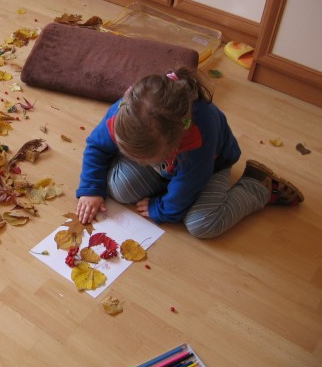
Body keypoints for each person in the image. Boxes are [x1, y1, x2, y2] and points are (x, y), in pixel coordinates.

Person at [75, 67, 304, 239]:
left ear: (173, 144)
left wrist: (162, 209)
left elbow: (188, 186)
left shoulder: (197, 138)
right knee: (119, 188)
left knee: (202, 224)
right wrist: (91, 190)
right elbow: (96, 147)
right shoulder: (124, 112)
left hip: (211, 168)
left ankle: (258, 186)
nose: (132, 161)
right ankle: (162, 180)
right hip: (168, 167)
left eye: (139, 158)